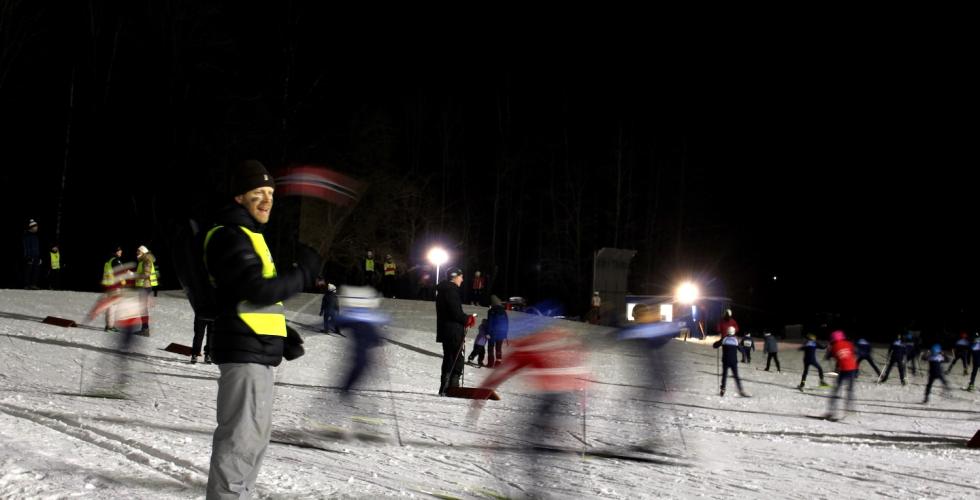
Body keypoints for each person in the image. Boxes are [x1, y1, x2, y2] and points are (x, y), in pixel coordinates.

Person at [204, 160, 321, 499]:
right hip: (244, 356)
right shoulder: (229, 235)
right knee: (241, 441)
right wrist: (304, 273)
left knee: (252, 439)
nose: (267, 199)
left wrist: (280, 333)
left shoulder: (248, 236)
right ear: (239, 197)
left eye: (271, 193)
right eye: (259, 193)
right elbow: (256, 288)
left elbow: (247, 298)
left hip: (255, 351)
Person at [334, 285, 387, 395]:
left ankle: (347, 387)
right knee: (360, 365)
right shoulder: (360, 320)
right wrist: (377, 339)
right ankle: (346, 388)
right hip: (360, 347)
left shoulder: (362, 320)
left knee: (362, 366)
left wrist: (377, 339)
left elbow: (343, 322)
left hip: (362, 346)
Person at [435, 267, 474, 396]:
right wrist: (467, 319)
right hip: (453, 330)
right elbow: (455, 312)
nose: (462, 280)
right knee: (456, 357)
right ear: (455, 276)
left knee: (450, 357)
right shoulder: (451, 290)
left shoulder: (444, 290)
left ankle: (446, 388)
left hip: (446, 330)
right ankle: (452, 387)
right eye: (461, 276)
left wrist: (465, 319)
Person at [822, 330, 858, 420]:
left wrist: (828, 351)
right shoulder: (848, 343)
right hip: (853, 368)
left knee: (836, 391)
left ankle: (831, 411)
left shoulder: (833, 346)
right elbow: (853, 353)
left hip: (843, 370)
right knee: (850, 390)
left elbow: (828, 357)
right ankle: (849, 409)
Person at [713, 326, 748, 397]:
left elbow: (715, 346)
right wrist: (744, 355)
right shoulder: (735, 340)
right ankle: (740, 390)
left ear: (727, 332)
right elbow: (741, 350)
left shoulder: (724, 339)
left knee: (724, 375)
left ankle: (723, 389)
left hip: (725, 360)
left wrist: (717, 342)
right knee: (736, 376)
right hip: (733, 361)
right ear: (734, 332)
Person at [101, 246, 126, 332]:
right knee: (113, 306)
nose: (121, 251)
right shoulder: (116, 261)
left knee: (110, 306)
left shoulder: (109, 260)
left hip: (109, 286)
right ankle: (110, 327)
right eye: (119, 250)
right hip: (115, 286)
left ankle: (109, 325)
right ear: (115, 252)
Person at [135, 245, 155, 335]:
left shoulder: (146, 260)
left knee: (143, 309)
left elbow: (146, 274)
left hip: (145, 287)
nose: (137, 253)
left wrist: (133, 275)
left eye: (138, 251)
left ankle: (145, 329)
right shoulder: (142, 260)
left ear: (143, 252)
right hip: (143, 286)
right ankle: (144, 328)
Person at [487, 294, 509, 367]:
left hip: (493, 332)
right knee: (498, 348)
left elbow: (490, 322)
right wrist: (505, 333)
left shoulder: (491, 311)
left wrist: (488, 333)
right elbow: (506, 323)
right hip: (501, 333)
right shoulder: (504, 311)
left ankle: (490, 363)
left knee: (490, 347)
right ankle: (498, 363)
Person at [22, 219, 41, 290]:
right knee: (28, 271)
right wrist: (28, 257)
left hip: (36, 256)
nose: (37, 228)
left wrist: (39, 257)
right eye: (36, 226)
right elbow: (26, 247)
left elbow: (37, 247)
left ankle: (33, 284)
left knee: (35, 271)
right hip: (29, 256)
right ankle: (27, 285)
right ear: (32, 227)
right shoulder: (26, 235)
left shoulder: (36, 236)